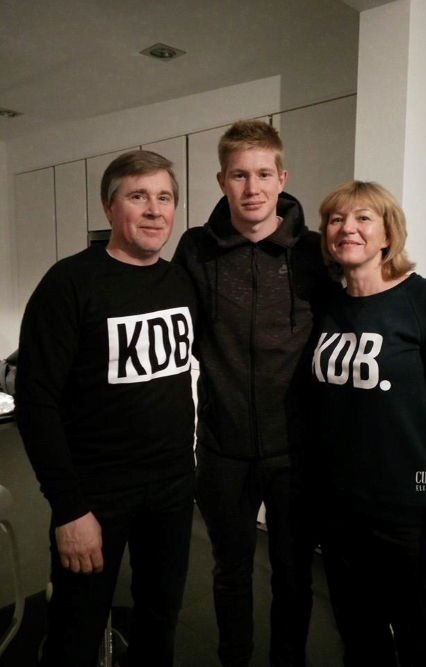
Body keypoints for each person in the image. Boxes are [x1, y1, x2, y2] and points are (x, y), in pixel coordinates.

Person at [15, 150, 197, 667]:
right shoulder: (69, 283)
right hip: (95, 494)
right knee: (76, 630)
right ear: (109, 206)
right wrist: (69, 509)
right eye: (138, 196)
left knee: (160, 620)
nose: (154, 210)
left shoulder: (181, 282)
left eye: (164, 197)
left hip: (173, 486)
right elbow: (37, 401)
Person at [173, 119, 333, 667]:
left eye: (263, 173)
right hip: (222, 447)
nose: (252, 188)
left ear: (282, 176)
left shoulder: (315, 253)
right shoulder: (195, 250)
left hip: (298, 451)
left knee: (293, 578)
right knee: (229, 573)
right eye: (239, 175)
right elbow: (174, 333)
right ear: (221, 180)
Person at [312, 180, 426, 666]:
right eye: (337, 220)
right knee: (361, 643)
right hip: (343, 517)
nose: (347, 228)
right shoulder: (328, 307)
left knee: (425, 645)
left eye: (363, 218)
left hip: (410, 514)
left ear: (388, 234)